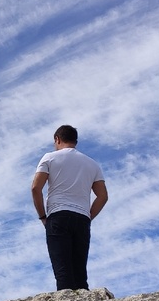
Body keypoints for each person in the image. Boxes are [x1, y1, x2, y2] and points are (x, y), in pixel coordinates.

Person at [31, 124, 108, 291]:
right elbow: (102, 196)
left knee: (63, 272)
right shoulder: (92, 164)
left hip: (58, 216)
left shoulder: (50, 158)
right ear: (76, 142)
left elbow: (35, 188)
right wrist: (88, 216)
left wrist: (43, 217)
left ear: (57, 139)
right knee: (80, 274)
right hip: (82, 219)